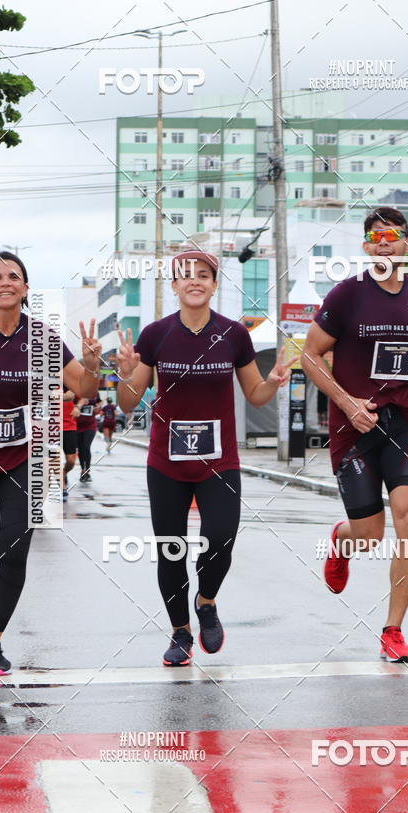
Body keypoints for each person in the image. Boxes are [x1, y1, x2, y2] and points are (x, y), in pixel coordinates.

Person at [116, 250, 290, 667]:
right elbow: (126, 403)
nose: (194, 281)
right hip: (166, 461)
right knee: (171, 549)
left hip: (219, 460)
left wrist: (273, 381)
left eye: (204, 275)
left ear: (214, 285)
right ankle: (180, 632)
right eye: (185, 275)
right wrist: (125, 371)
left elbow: (255, 394)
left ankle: (206, 599)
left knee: (222, 538)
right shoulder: (155, 335)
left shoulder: (233, 335)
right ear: (173, 286)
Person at [301, 208, 408, 662]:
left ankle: (393, 629)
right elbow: (309, 356)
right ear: (366, 247)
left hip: (405, 423)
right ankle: (343, 541)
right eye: (374, 236)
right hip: (355, 424)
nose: (383, 243)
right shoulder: (347, 295)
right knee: (369, 534)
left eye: (392, 235)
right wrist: (346, 402)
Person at [0, 251, 102, 674]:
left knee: (16, 550)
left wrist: (91, 364)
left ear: (25, 288)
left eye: (14, 276)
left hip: (25, 459)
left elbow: (85, 389)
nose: (5, 282)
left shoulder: (43, 337)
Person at [75, 393, 99, 481]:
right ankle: (82, 470)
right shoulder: (74, 391)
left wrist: (97, 408)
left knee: (86, 446)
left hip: (90, 425)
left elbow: (99, 403)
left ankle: (87, 472)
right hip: (77, 424)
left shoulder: (93, 391)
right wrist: (78, 405)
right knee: (80, 449)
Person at [62, 389, 78, 500]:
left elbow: (72, 395)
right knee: (54, 460)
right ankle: (62, 489)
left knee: (71, 461)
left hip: (69, 427)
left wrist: (78, 406)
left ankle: (63, 473)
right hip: (50, 428)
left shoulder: (68, 382)